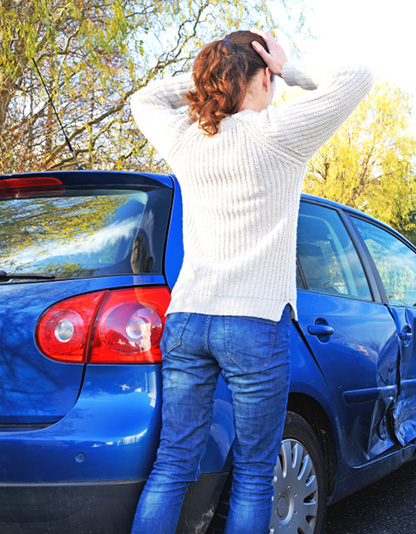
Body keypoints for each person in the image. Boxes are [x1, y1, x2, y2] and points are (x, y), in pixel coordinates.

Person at [128, 29, 373, 533]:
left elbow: (143, 98)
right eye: (272, 79)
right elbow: (358, 78)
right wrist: (289, 65)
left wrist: (207, 81)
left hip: (188, 318)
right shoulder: (279, 134)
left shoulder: (186, 140)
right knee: (256, 476)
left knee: (173, 463)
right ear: (263, 76)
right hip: (253, 324)